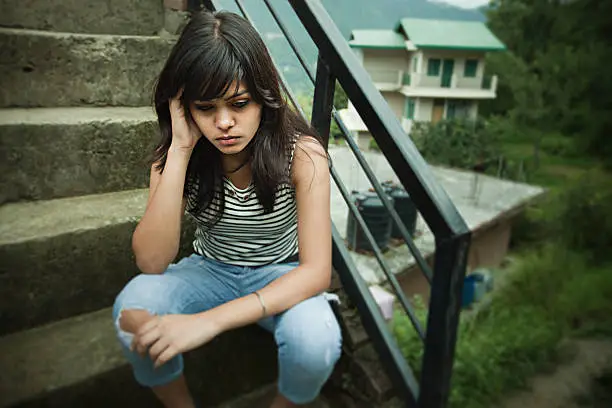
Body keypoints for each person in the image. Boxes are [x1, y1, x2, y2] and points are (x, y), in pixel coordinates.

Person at [111, 9, 342, 408]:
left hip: (281, 273)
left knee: (316, 341)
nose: (224, 123)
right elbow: (151, 261)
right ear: (185, 107)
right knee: (131, 314)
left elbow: (317, 271)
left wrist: (208, 322)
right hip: (210, 270)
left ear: (264, 98)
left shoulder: (302, 155)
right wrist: (181, 149)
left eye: (239, 103)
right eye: (205, 107)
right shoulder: (179, 155)